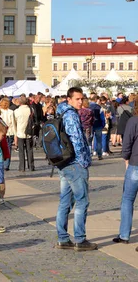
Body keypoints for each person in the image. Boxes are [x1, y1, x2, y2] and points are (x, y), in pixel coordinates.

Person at [55, 87, 97, 251]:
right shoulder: (71, 115)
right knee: (82, 201)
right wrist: (84, 162)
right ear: (69, 99)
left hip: (64, 162)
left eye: (82, 98)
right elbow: (77, 141)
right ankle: (80, 239)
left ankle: (63, 238)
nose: (80, 101)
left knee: (65, 201)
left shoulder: (61, 112)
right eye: (77, 99)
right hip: (75, 164)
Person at [113, 105, 138, 247]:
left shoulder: (134, 121)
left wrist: (126, 158)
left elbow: (127, 142)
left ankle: (124, 235)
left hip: (135, 163)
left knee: (128, 200)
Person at [13, 96, 34, 172]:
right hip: (29, 132)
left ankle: (22, 167)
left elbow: (14, 123)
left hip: (20, 132)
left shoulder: (16, 111)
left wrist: (15, 133)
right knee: (30, 149)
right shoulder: (31, 110)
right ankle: (31, 166)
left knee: (21, 150)